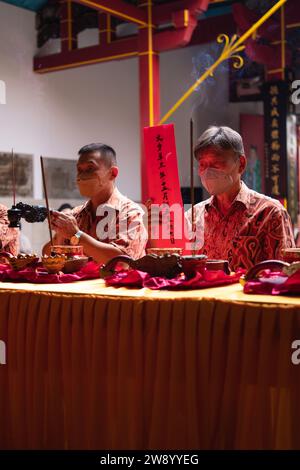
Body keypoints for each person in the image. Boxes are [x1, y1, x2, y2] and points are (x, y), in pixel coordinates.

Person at [185, 126, 295, 271]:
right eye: (203, 165)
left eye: (216, 164)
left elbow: (284, 275)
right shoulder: (193, 217)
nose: (208, 172)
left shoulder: (269, 213)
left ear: (241, 164)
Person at [43, 143, 147, 263]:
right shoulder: (76, 214)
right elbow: (47, 254)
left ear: (112, 173)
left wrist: (76, 235)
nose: (81, 176)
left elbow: (122, 263)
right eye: (79, 170)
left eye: (90, 169)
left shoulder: (130, 212)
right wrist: (59, 235)